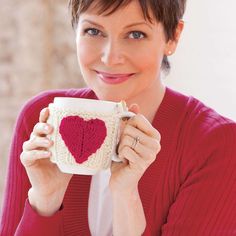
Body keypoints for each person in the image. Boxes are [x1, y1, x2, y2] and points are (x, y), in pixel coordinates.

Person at [0, 0, 236, 235]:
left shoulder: (217, 144)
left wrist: (127, 197)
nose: (110, 58)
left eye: (136, 34)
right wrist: (45, 200)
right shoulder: (41, 119)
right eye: (93, 31)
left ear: (173, 37)